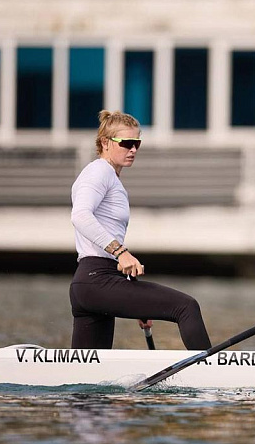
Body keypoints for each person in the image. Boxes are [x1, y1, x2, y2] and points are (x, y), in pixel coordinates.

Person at [69, 110, 212, 350]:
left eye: (137, 143)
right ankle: (211, 376)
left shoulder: (111, 178)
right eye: (126, 143)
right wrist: (121, 252)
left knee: (86, 380)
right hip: (97, 280)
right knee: (186, 306)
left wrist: (135, 300)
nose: (133, 149)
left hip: (94, 285)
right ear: (105, 142)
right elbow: (80, 215)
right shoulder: (99, 171)